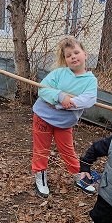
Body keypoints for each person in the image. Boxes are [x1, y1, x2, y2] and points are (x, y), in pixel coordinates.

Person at [32, 36, 98, 198]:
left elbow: (89, 99)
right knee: (41, 148)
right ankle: (40, 175)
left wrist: (66, 103)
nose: (73, 57)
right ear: (65, 60)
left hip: (64, 122)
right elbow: (43, 90)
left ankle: (79, 176)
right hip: (43, 116)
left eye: (76, 52)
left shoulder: (90, 81)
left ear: (85, 54)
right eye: (69, 55)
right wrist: (61, 96)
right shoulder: (59, 73)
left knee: (67, 150)